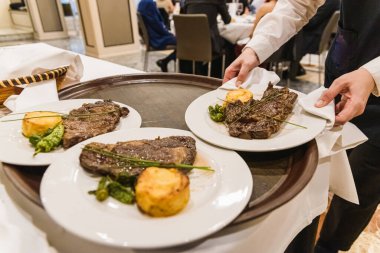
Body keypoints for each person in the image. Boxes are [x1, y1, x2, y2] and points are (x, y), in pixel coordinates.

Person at [223, 0, 380, 253]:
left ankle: (329, 247)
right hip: (337, 82)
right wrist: (256, 49)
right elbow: (298, 4)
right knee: (316, 173)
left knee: (362, 186)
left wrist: (373, 74)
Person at [182, 0, 232, 77]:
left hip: (189, 44)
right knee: (230, 43)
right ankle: (221, 78)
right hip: (211, 45)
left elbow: (184, 18)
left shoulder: (187, 1)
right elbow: (227, 20)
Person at [137, 0, 176, 72]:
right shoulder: (149, 3)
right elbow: (157, 25)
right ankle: (166, 61)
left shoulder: (141, 3)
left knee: (181, 40)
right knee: (183, 41)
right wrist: (169, 34)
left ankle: (165, 61)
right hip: (158, 39)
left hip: (151, 37)